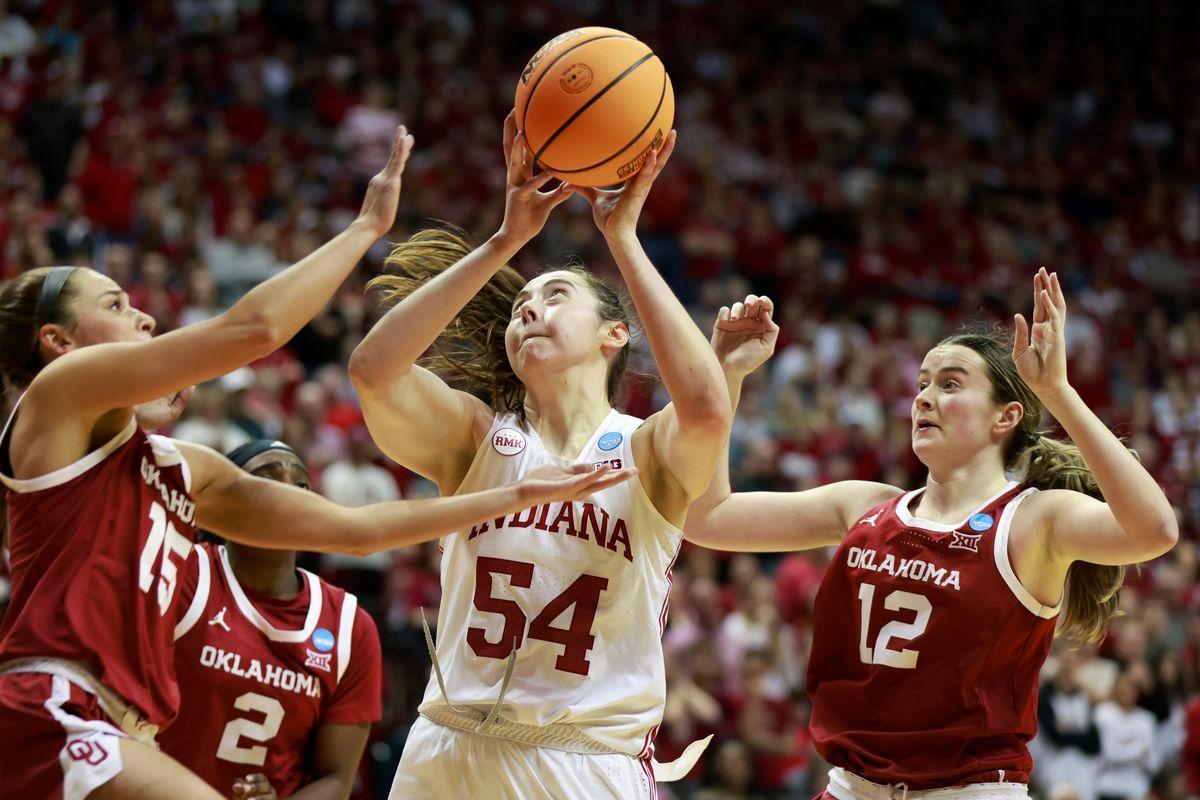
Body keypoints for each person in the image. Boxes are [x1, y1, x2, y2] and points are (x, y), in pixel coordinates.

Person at [0, 127, 635, 800]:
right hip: (55, 708)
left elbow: (352, 531)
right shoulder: (55, 397)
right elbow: (254, 331)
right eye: (117, 304)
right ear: (59, 341)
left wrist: (513, 495)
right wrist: (365, 228)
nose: (146, 318)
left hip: (122, 732)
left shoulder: (179, 467)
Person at [349, 113, 731, 799]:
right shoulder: (474, 437)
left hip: (584, 760)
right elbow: (373, 371)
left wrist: (622, 237)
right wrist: (506, 240)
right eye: (521, 304)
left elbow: (707, 407)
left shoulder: (644, 448)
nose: (528, 310)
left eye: (554, 296)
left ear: (615, 333)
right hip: (447, 747)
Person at [686, 271, 1178, 797]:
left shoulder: (1034, 520)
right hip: (852, 786)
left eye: (950, 384)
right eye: (922, 383)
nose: (924, 398)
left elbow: (1154, 529)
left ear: (1005, 417)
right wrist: (727, 376)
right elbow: (706, 517)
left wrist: (1057, 391)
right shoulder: (865, 504)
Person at [160, 439, 382, 800]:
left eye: (302, 485)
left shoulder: (350, 626)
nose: (291, 492)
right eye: (267, 477)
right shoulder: (184, 570)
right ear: (222, 502)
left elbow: (336, 779)